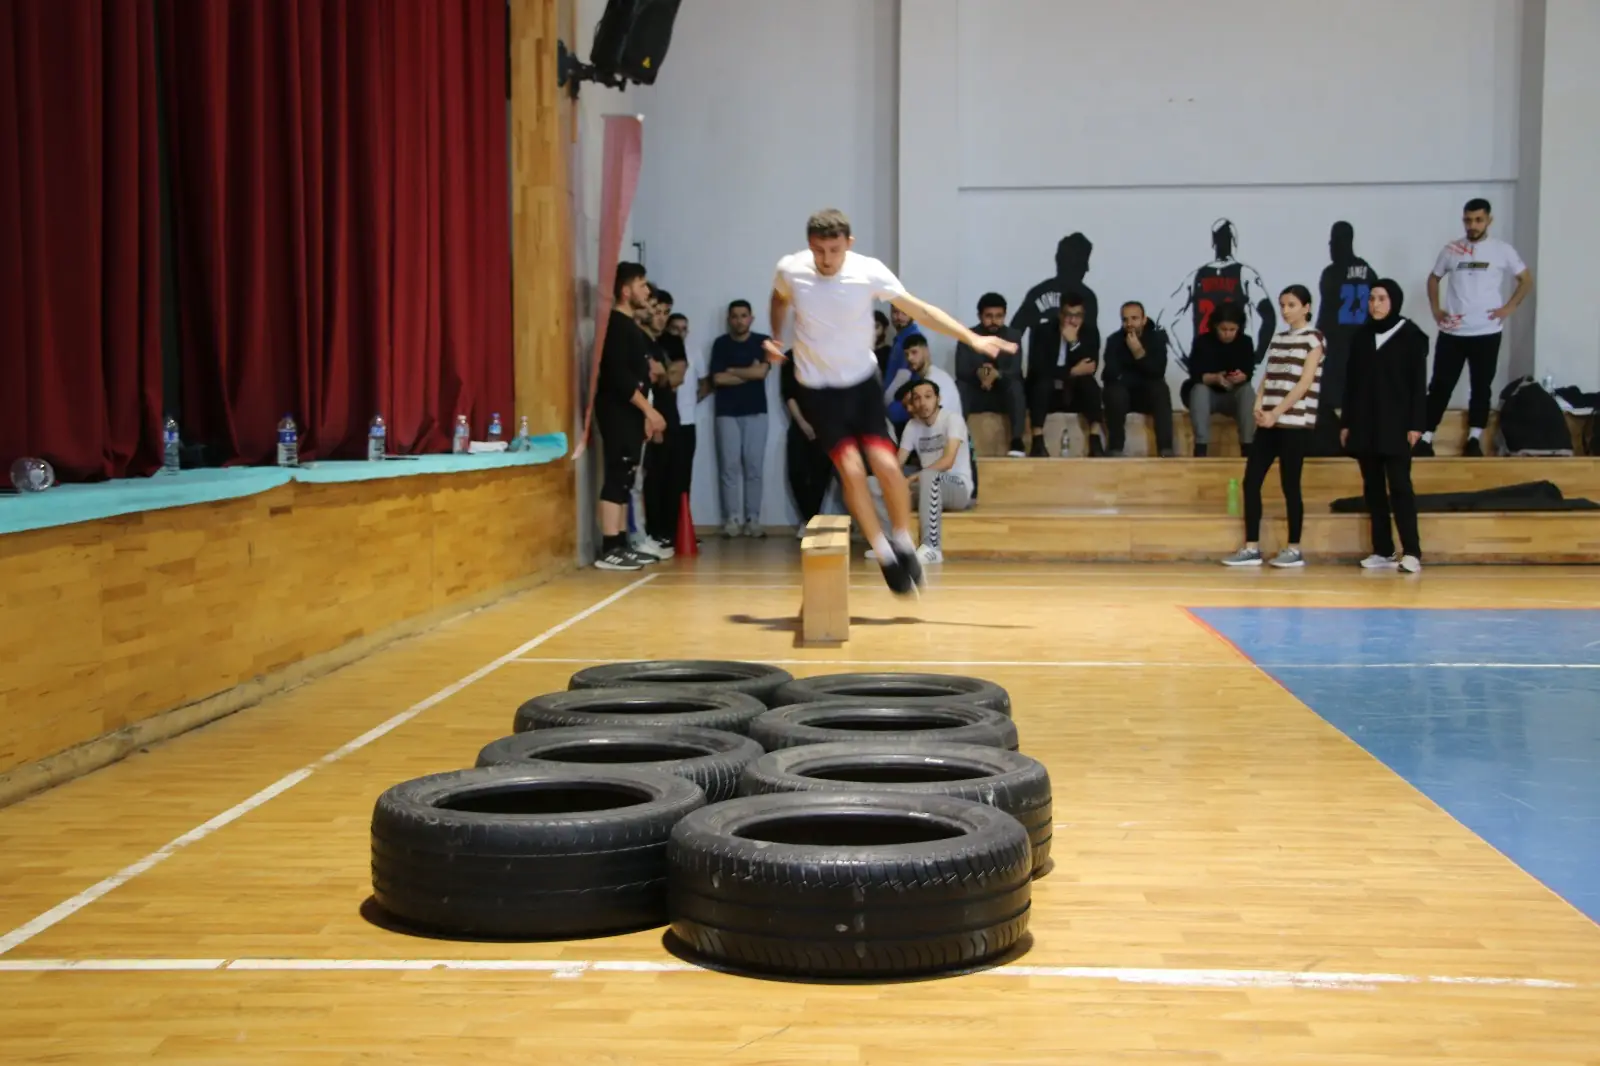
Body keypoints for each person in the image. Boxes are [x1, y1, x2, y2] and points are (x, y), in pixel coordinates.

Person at [765, 208, 1016, 595]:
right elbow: (779, 299)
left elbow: (921, 310)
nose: (826, 260)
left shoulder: (868, 271)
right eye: (818, 251)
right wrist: (776, 337)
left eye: (834, 250)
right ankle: (883, 553)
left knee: (885, 464)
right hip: (816, 389)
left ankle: (901, 539)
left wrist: (973, 338)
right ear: (808, 246)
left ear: (849, 244)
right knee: (850, 471)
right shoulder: (792, 269)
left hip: (861, 383)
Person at [1416, 198, 1533, 456]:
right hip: (1453, 332)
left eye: (1478, 220)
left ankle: (1474, 438)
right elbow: (1434, 279)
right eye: (1468, 220)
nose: (1473, 225)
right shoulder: (1451, 249)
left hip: (1486, 332)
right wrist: (1436, 310)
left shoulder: (1502, 250)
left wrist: (1509, 308)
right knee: (1440, 385)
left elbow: (1525, 280)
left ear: (1488, 220)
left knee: (1481, 386)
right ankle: (1426, 436)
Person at [1223, 285, 1324, 568]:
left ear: (1305, 307)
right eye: (1282, 305)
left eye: (1292, 305)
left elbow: (1303, 384)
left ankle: (1294, 547)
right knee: (1251, 480)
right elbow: (1269, 375)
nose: (1285, 310)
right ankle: (1251, 546)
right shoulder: (1279, 338)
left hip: (1294, 423)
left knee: (1290, 484)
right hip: (1269, 422)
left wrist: (1276, 412)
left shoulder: (1313, 340)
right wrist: (1259, 404)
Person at [1341, 279, 1426, 574]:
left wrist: (1417, 424)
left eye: (1381, 298)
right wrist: (1347, 422)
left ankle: (1412, 551)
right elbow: (1351, 384)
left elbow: (1418, 385)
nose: (1375, 304)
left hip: (1397, 424)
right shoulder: (1361, 337)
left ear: (1394, 302)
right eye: (1372, 298)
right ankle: (1383, 549)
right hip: (1365, 423)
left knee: (1400, 486)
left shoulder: (1412, 336)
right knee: (1373, 488)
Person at [594, 262, 667, 571]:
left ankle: (622, 542)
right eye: (641, 285)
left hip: (631, 414)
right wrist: (648, 409)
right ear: (625, 290)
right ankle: (609, 547)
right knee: (616, 474)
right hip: (617, 411)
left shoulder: (630, 327)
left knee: (626, 478)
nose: (647, 291)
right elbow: (619, 377)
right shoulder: (615, 326)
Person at [889, 379, 973, 564]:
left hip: (957, 487)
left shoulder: (952, 419)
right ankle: (891, 545)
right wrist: (892, 480)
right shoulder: (912, 426)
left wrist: (910, 479)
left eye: (928, 397)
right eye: (917, 399)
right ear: (912, 403)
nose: (923, 403)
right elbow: (897, 463)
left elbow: (948, 461)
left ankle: (932, 548)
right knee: (874, 484)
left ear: (938, 398)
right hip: (927, 487)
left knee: (928, 476)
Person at [708, 300, 770, 537]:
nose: (739, 320)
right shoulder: (720, 344)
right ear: (728, 319)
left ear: (751, 318)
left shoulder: (763, 342)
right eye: (734, 316)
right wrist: (748, 372)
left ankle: (753, 519)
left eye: (743, 316)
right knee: (729, 467)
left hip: (756, 412)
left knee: (754, 468)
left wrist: (732, 370)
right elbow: (718, 380)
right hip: (726, 413)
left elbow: (762, 372)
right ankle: (731, 519)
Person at [1025, 291, 1106, 456]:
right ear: (1060, 314)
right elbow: (1039, 367)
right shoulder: (1043, 331)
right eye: (1069, 315)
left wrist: (1074, 342)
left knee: (1090, 385)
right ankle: (1037, 441)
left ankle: (1095, 439)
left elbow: (1090, 366)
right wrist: (1072, 371)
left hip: (1074, 390)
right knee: (1042, 383)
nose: (1073, 320)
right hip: (1047, 387)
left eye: (1078, 316)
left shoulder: (1090, 332)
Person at [955, 293, 1027, 456]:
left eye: (999, 316)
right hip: (976, 393)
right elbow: (961, 370)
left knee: (1015, 385)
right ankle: (956, 439)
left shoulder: (1013, 336)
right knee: (960, 386)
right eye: (989, 316)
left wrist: (997, 374)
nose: (994, 321)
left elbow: (1015, 370)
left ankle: (1016, 441)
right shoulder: (967, 336)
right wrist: (979, 373)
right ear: (980, 316)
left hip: (1002, 395)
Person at [1101, 301, 1175, 457]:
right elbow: (1109, 374)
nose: (1129, 323)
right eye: (1125, 319)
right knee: (1114, 392)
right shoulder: (1114, 340)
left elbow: (1157, 372)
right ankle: (1115, 447)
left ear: (1144, 319)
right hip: (1122, 395)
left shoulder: (1156, 340)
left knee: (1160, 389)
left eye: (1134, 318)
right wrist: (1139, 374)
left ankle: (1166, 448)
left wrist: (1138, 352)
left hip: (1147, 395)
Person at [1183, 300, 1256, 457]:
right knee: (1199, 390)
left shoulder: (1245, 342)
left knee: (1247, 391)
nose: (1228, 334)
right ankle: (1201, 447)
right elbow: (1194, 373)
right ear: (1215, 326)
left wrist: (1241, 377)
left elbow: (1249, 371)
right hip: (1209, 395)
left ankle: (1248, 447)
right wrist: (1213, 378)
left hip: (1234, 395)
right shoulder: (1202, 342)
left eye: (1232, 330)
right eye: (1223, 329)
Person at [781, 350, 834, 530]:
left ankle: (813, 519)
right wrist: (803, 423)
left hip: (825, 423)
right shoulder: (791, 357)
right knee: (797, 472)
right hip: (799, 423)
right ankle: (807, 518)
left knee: (821, 474)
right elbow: (788, 394)